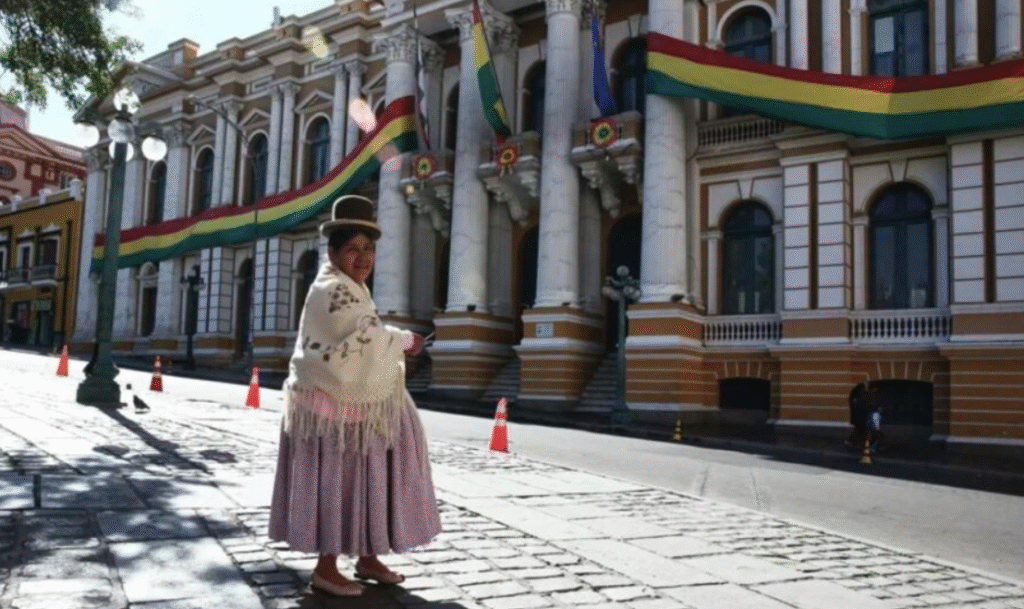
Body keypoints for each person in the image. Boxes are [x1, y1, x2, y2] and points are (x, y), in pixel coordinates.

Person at [269, 195, 441, 597]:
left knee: (366, 478)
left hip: (351, 404)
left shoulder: (351, 287)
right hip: (330, 406)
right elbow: (356, 341)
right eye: (352, 249)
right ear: (333, 252)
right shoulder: (334, 288)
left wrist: (392, 338)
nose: (362, 258)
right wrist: (402, 338)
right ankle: (326, 567)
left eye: (368, 249)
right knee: (337, 481)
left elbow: (361, 335)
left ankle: (367, 554)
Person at [846, 383, 867, 449]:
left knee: (858, 430)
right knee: (859, 430)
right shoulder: (860, 395)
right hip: (859, 417)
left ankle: (852, 442)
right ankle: (852, 442)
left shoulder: (853, 397)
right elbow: (861, 407)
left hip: (856, 416)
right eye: (863, 388)